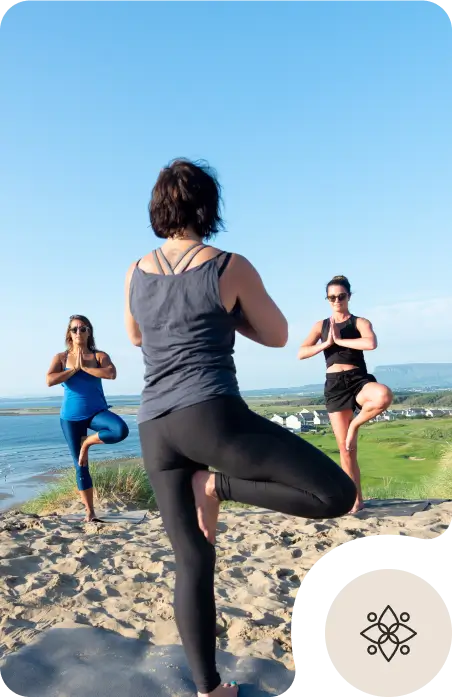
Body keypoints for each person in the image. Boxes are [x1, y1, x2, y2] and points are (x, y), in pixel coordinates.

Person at [124, 158, 357, 697]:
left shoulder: (134, 269)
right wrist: (223, 312)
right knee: (335, 493)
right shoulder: (228, 265)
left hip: (154, 426)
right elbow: (277, 335)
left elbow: (136, 336)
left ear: (159, 207)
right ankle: (218, 486)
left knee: (192, 559)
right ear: (208, 207)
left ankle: (208, 689)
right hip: (211, 417)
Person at [297, 275, 393, 513]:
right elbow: (301, 352)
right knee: (346, 450)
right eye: (332, 297)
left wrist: (341, 340)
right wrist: (325, 344)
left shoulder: (360, 322)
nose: (337, 300)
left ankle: (354, 426)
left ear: (349, 296)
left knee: (383, 396)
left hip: (358, 379)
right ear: (327, 299)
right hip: (334, 385)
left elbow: (371, 343)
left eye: (341, 296)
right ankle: (355, 500)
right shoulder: (321, 326)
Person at [46, 315, 129, 522]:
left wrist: (85, 368)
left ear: (89, 332)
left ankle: (88, 444)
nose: (78, 332)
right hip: (71, 419)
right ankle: (90, 513)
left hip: (96, 413)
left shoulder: (99, 355)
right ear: (69, 333)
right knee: (80, 466)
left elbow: (111, 373)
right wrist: (73, 370)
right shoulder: (61, 358)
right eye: (74, 329)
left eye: (83, 329)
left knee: (120, 430)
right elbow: (49, 380)